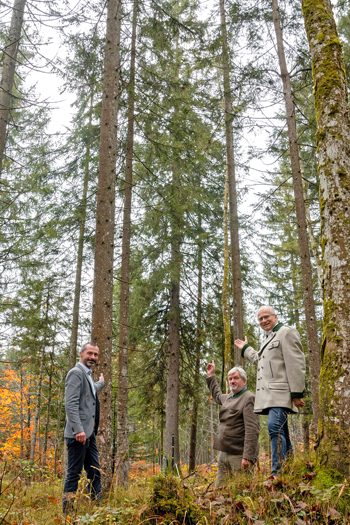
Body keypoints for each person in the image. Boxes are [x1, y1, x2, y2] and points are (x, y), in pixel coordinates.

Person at [234, 305, 306, 476]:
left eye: (266, 317)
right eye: (260, 319)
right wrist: (246, 348)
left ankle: (277, 473)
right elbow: (260, 359)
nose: (263, 321)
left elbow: (296, 363)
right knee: (281, 430)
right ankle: (288, 468)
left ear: (275, 316)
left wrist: (296, 393)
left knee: (274, 427)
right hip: (271, 395)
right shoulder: (269, 337)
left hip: (281, 393)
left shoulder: (286, 333)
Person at [62, 342, 105, 514]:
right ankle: (68, 512)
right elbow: (70, 404)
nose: (92, 357)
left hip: (89, 433)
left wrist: (100, 384)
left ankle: (97, 508)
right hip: (78, 434)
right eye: (89, 354)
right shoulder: (75, 373)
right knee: (74, 474)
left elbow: (89, 391)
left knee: (94, 471)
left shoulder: (86, 374)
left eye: (95, 354)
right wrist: (78, 429)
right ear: (81, 353)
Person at [206, 361, 260, 488]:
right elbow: (217, 395)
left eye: (236, 378)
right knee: (220, 490)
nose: (232, 381)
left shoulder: (248, 398)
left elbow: (252, 430)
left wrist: (248, 457)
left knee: (242, 491)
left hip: (239, 455)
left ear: (244, 381)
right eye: (230, 379)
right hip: (223, 453)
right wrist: (211, 375)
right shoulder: (230, 397)